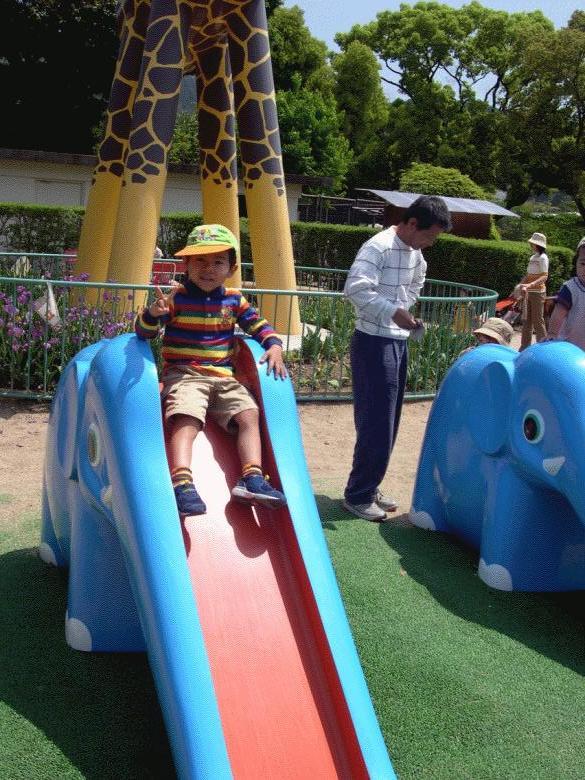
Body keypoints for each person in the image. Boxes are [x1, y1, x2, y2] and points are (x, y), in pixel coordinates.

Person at [135, 223, 287, 516]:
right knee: (187, 417)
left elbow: (258, 325)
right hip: (185, 374)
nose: (209, 269)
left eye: (218, 262)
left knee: (249, 413)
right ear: (186, 264)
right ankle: (181, 483)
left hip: (223, 377)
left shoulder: (234, 299)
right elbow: (144, 333)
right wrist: (152, 315)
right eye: (200, 261)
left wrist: (274, 345)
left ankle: (252, 477)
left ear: (231, 268)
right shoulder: (176, 298)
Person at [342, 195, 452, 522]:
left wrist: (403, 313)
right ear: (412, 223)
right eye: (429, 235)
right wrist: (393, 312)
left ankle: (369, 486)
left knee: (387, 421)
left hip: (396, 341)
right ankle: (358, 494)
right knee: (376, 421)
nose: (430, 243)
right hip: (372, 341)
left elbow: (415, 286)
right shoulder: (379, 247)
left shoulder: (417, 255)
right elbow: (355, 289)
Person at [546, 236, 585, 350]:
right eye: (583, 263)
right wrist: (552, 333)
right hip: (569, 348)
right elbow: (559, 313)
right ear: (575, 262)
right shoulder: (571, 288)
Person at [513, 232, 549, 350]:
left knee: (538, 320)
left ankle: (542, 348)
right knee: (526, 321)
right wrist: (519, 286)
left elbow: (544, 276)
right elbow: (528, 275)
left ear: (538, 245)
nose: (531, 245)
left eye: (533, 243)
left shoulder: (543, 258)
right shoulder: (533, 257)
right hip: (528, 292)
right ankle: (524, 348)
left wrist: (530, 285)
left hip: (538, 293)